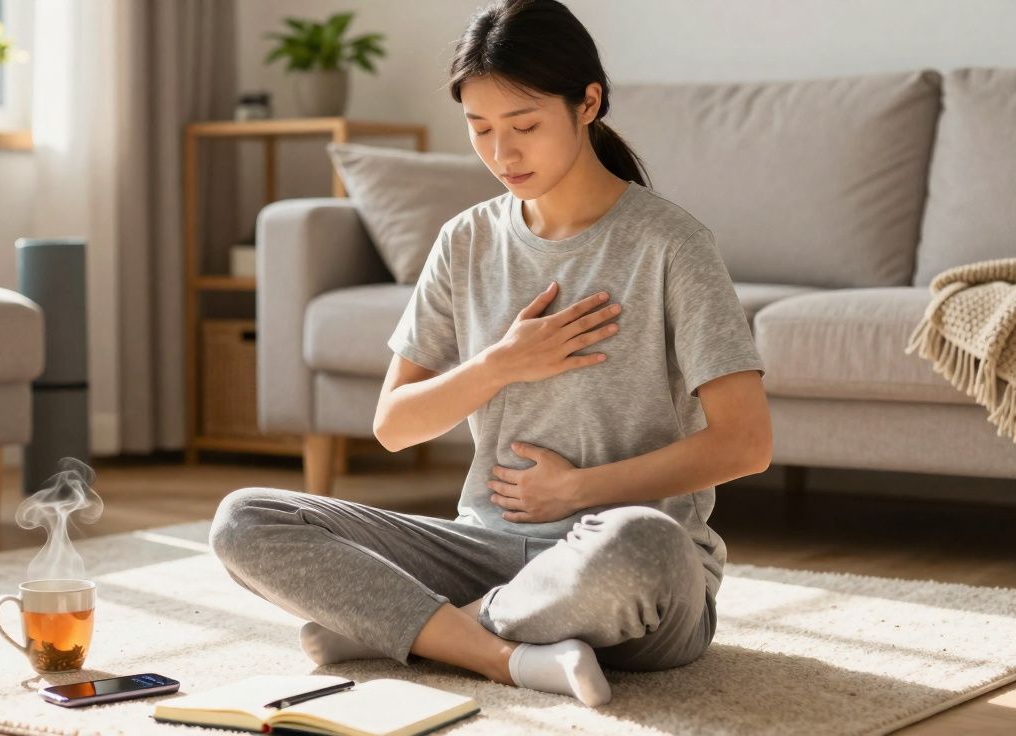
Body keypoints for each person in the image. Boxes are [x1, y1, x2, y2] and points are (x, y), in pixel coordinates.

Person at [209, 0, 772, 708]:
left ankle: (419, 631)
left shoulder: (670, 245)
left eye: (525, 127)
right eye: (480, 130)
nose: (502, 155)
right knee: (244, 520)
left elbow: (747, 443)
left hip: (630, 572)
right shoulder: (467, 241)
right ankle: (499, 653)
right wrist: (500, 364)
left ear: (588, 103)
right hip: (483, 549)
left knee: (645, 544)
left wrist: (577, 492)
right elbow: (394, 424)